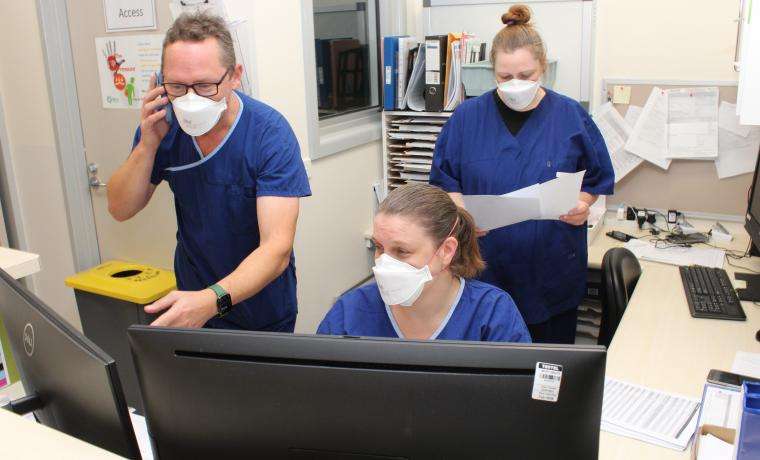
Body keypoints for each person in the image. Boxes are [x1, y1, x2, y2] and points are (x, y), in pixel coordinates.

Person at [107, 12, 311, 331]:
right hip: (193, 301)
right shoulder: (162, 127)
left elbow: (276, 248)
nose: (190, 99)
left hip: (260, 307)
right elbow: (120, 208)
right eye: (176, 86)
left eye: (204, 85)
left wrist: (212, 300)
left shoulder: (268, 134)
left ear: (234, 76)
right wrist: (147, 144)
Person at [430, 5, 614, 344]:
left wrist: (581, 205)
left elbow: (595, 180)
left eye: (526, 76)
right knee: (489, 376)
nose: (515, 84)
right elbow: (445, 181)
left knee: (548, 376)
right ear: (492, 72)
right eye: (505, 77)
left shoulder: (570, 116)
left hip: (551, 275)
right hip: (484, 271)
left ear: (543, 68)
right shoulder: (466, 119)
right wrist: (462, 213)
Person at [318, 184, 530, 343]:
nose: (384, 264)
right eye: (379, 247)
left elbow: (518, 395)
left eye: (402, 251)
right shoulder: (350, 311)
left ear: (446, 251)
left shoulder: (492, 313)